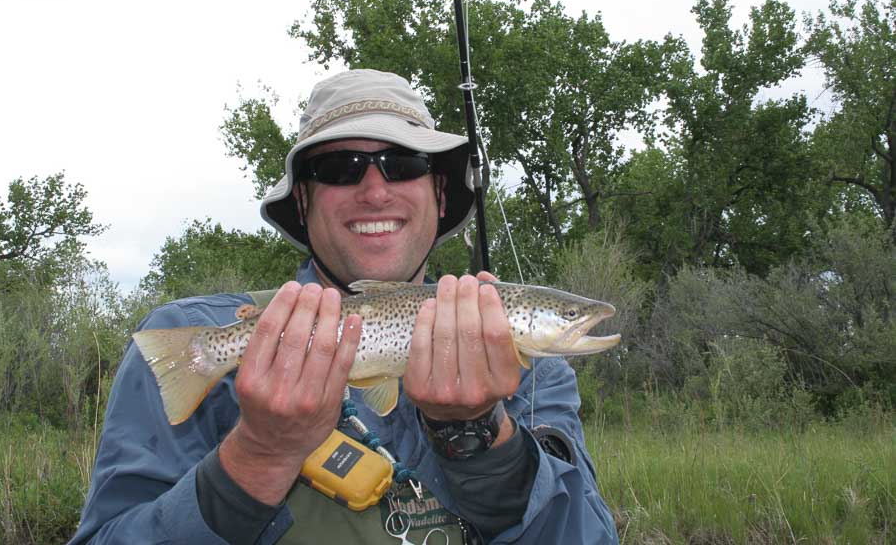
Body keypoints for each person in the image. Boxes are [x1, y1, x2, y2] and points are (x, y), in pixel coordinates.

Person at [71, 69, 619, 544]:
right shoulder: (189, 333)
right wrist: (258, 457)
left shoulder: (533, 380)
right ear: (303, 201)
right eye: (341, 168)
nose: (376, 191)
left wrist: (481, 441)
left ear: (441, 195)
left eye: (403, 164)